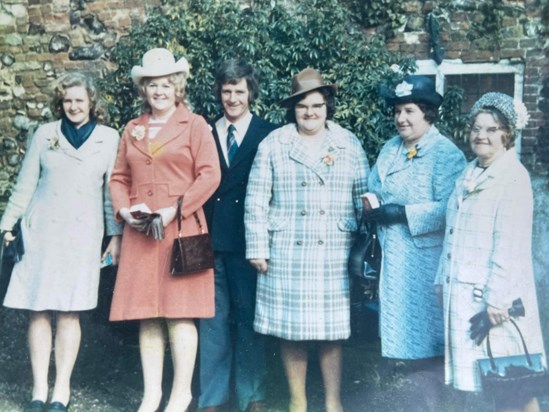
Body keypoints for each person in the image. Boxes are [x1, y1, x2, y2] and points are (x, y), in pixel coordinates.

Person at [245, 68, 369, 412]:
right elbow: (256, 199)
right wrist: (257, 247)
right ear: (293, 110)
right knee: (292, 330)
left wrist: (365, 247)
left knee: (331, 331)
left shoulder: (348, 143)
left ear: (327, 107)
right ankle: (297, 400)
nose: (310, 113)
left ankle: (333, 401)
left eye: (317, 106)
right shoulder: (275, 143)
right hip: (288, 248)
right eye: (303, 107)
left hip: (333, 248)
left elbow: (364, 200)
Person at [0, 72, 122, 412]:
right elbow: (25, 185)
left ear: (92, 103)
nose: (73, 107)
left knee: (69, 312)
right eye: (68, 101)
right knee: (38, 310)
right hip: (41, 233)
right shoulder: (44, 134)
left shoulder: (109, 138)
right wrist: (7, 225)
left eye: (79, 100)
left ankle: (61, 391)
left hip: (82, 237)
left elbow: (111, 194)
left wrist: (115, 237)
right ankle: (39, 391)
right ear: (61, 102)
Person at [108, 48, 221, 412]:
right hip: (142, 231)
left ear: (178, 88)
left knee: (179, 312)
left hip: (181, 228)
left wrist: (176, 209)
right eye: (152, 85)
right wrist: (126, 211)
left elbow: (210, 174)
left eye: (166, 85)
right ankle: (152, 393)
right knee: (147, 312)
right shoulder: (132, 128)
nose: (159, 91)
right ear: (144, 90)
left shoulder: (196, 124)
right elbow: (119, 178)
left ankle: (181, 394)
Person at [435, 92, 547, 412]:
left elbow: (510, 244)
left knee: (513, 380)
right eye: (476, 127)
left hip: (498, 300)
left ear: (507, 134)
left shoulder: (513, 177)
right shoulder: (468, 174)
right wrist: (442, 278)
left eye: (491, 129)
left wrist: (497, 299)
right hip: (465, 292)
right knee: (490, 379)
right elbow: (452, 232)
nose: (480, 135)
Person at [365, 75, 466, 409]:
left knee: (427, 344)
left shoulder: (444, 153)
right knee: (405, 346)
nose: (401, 119)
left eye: (409, 110)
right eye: (397, 111)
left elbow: (451, 208)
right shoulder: (390, 149)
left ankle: (433, 405)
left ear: (427, 113)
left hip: (426, 264)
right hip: (394, 261)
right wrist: (372, 207)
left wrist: (403, 213)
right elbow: (373, 188)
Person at [199, 59, 278, 412]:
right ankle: (212, 398)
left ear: (251, 93)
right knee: (212, 321)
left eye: (239, 91)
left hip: (249, 242)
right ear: (219, 92)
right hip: (210, 239)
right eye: (227, 91)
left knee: (249, 319)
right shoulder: (203, 132)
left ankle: (252, 395)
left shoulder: (269, 133)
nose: (232, 98)